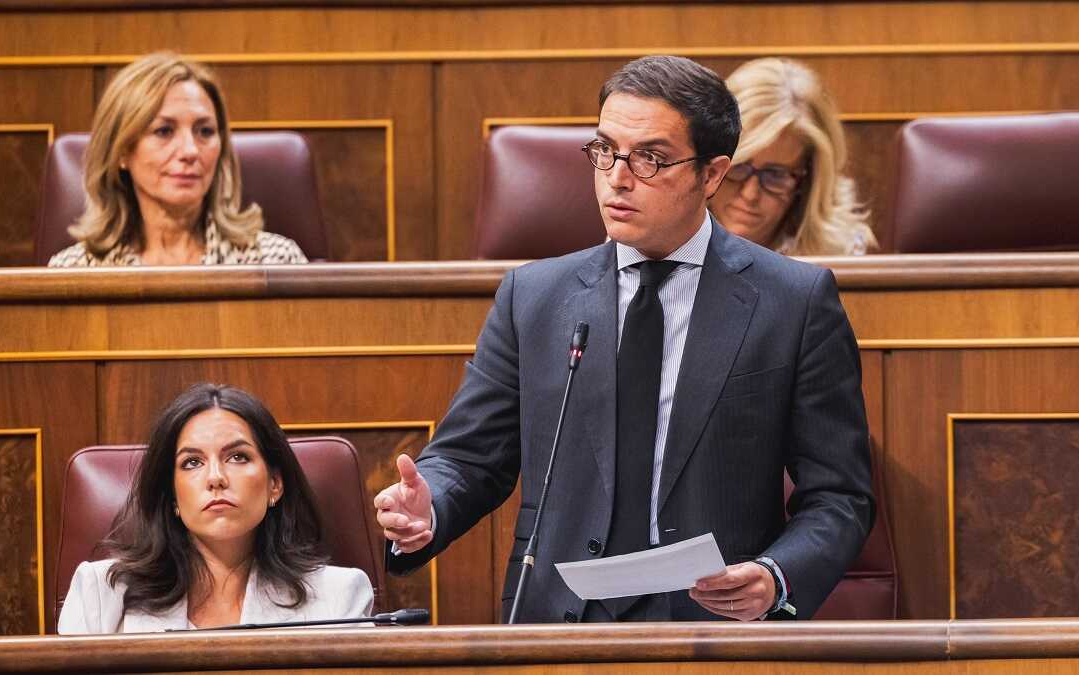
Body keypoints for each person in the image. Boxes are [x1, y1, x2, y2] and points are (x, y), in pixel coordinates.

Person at [376, 55, 873, 623]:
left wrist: (775, 575)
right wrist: (428, 509)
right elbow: (469, 458)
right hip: (558, 628)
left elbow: (840, 495)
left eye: (650, 159)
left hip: (714, 626)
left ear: (712, 175)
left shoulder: (794, 302)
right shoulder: (533, 298)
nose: (617, 176)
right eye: (605, 150)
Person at [59, 383, 372, 633]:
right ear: (172, 496)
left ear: (275, 484)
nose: (215, 478)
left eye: (237, 457)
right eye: (192, 462)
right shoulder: (101, 595)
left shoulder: (338, 597)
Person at [48, 52, 308, 267]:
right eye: (164, 131)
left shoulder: (275, 261)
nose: (190, 151)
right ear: (122, 152)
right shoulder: (75, 271)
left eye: (204, 131)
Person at [709, 57, 876, 256]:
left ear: (808, 182)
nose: (750, 194)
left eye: (775, 175)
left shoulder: (841, 255)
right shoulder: (675, 240)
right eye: (738, 167)